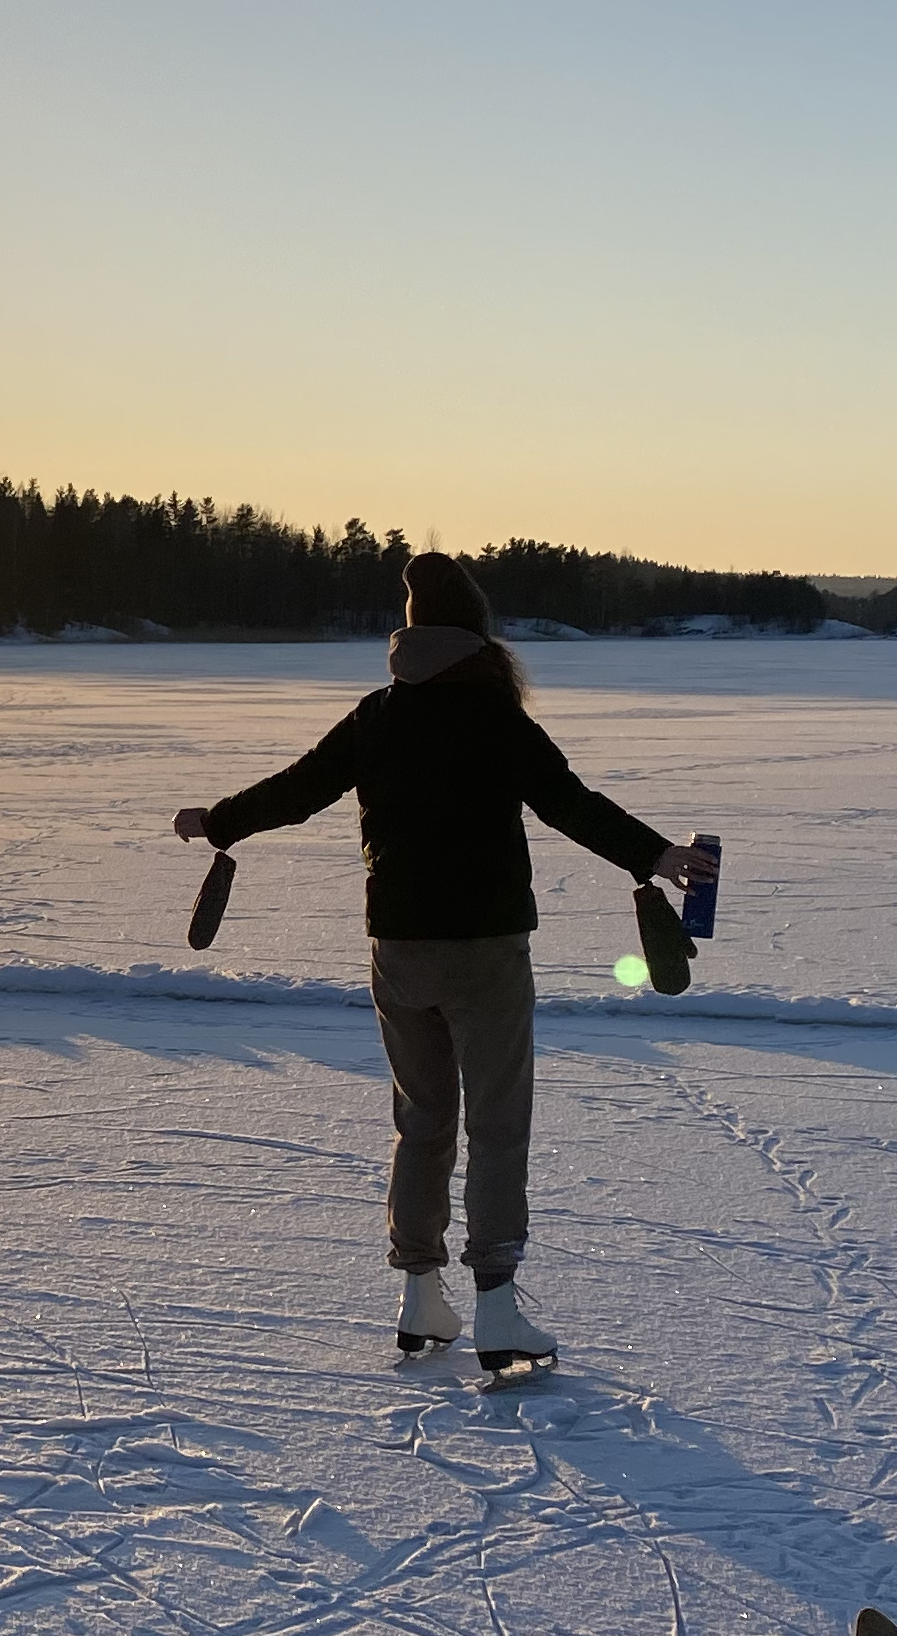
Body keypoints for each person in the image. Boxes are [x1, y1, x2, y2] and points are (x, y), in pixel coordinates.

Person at [176, 552, 693, 1371]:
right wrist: (655, 855)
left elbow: (298, 788)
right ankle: (495, 1308)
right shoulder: (495, 716)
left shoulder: (379, 713)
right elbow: (571, 805)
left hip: (399, 950)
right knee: (495, 1126)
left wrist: (221, 821)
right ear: (479, 639)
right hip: (485, 950)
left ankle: (421, 1295)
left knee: (421, 1123)